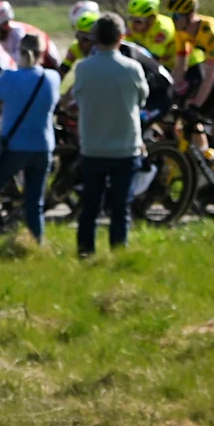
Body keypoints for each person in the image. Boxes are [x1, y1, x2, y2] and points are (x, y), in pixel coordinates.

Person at [0, 28, 60, 249]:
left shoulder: (9, 77)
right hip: (44, 147)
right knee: (34, 203)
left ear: (19, 52)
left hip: (14, 147)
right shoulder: (52, 78)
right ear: (42, 54)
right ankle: (36, 247)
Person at [66, 16, 147, 256]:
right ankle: (118, 251)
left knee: (90, 204)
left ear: (93, 38)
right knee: (121, 206)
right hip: (126, 146)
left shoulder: (83, 68)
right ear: (121, 37)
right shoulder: (133, 68)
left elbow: (77, 97)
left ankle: (85, 250)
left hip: (93, 146)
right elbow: (142, 99)